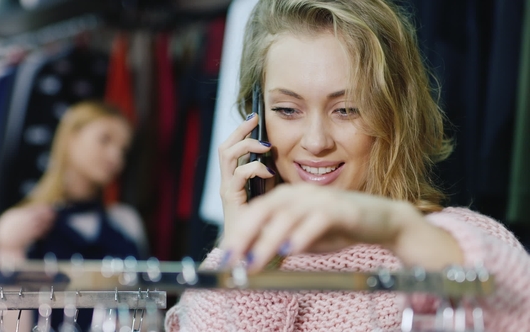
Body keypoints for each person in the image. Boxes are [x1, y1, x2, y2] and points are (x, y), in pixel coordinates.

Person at [164, 0, 530, 331]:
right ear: (256, 119)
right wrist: (244, 258)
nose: (316, 141)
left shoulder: (456, 243)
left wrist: (395, 228)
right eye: (287, 110)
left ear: (395, 114)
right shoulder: (222, 270)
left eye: (346, 109)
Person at [0, 100, 148, 329]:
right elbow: (11, 324)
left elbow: (143, 312)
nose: (116, 157)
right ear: (71, 137)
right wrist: (10, 248)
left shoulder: (126, 221)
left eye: (123, 150)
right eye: (105, 140)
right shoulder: (20, 223)